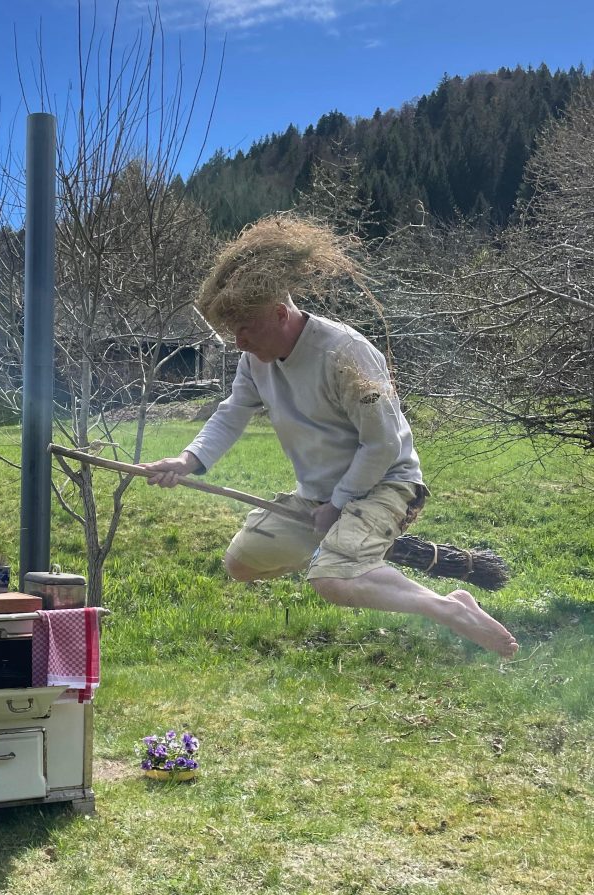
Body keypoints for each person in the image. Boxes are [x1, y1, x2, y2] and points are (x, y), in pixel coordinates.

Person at [145, 215, 518, 658]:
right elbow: (231, 414)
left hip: (386, 484)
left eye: (245, 329)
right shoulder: (255, 361)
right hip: (320, 497)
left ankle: (447, 608)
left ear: (279, 314)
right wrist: (186, 461)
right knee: (242, 562)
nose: (238, 342)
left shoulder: (346, 354)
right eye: (232, 331)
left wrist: (340, 505)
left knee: (331, 580)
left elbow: (383, 444)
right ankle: (352, 552)